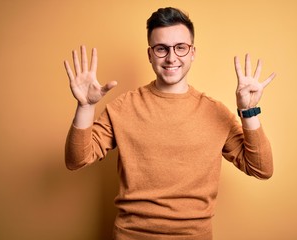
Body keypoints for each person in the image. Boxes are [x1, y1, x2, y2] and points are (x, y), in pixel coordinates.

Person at [64, 7, 275, 240]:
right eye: (161, 49)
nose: (171, 57)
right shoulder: (123, 107)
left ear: (193, 52)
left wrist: (248, 111)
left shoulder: (215, 113)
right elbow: (77, 160)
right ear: (150, 54)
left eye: (180, 48)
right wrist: (85, 107)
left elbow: (261, 169)